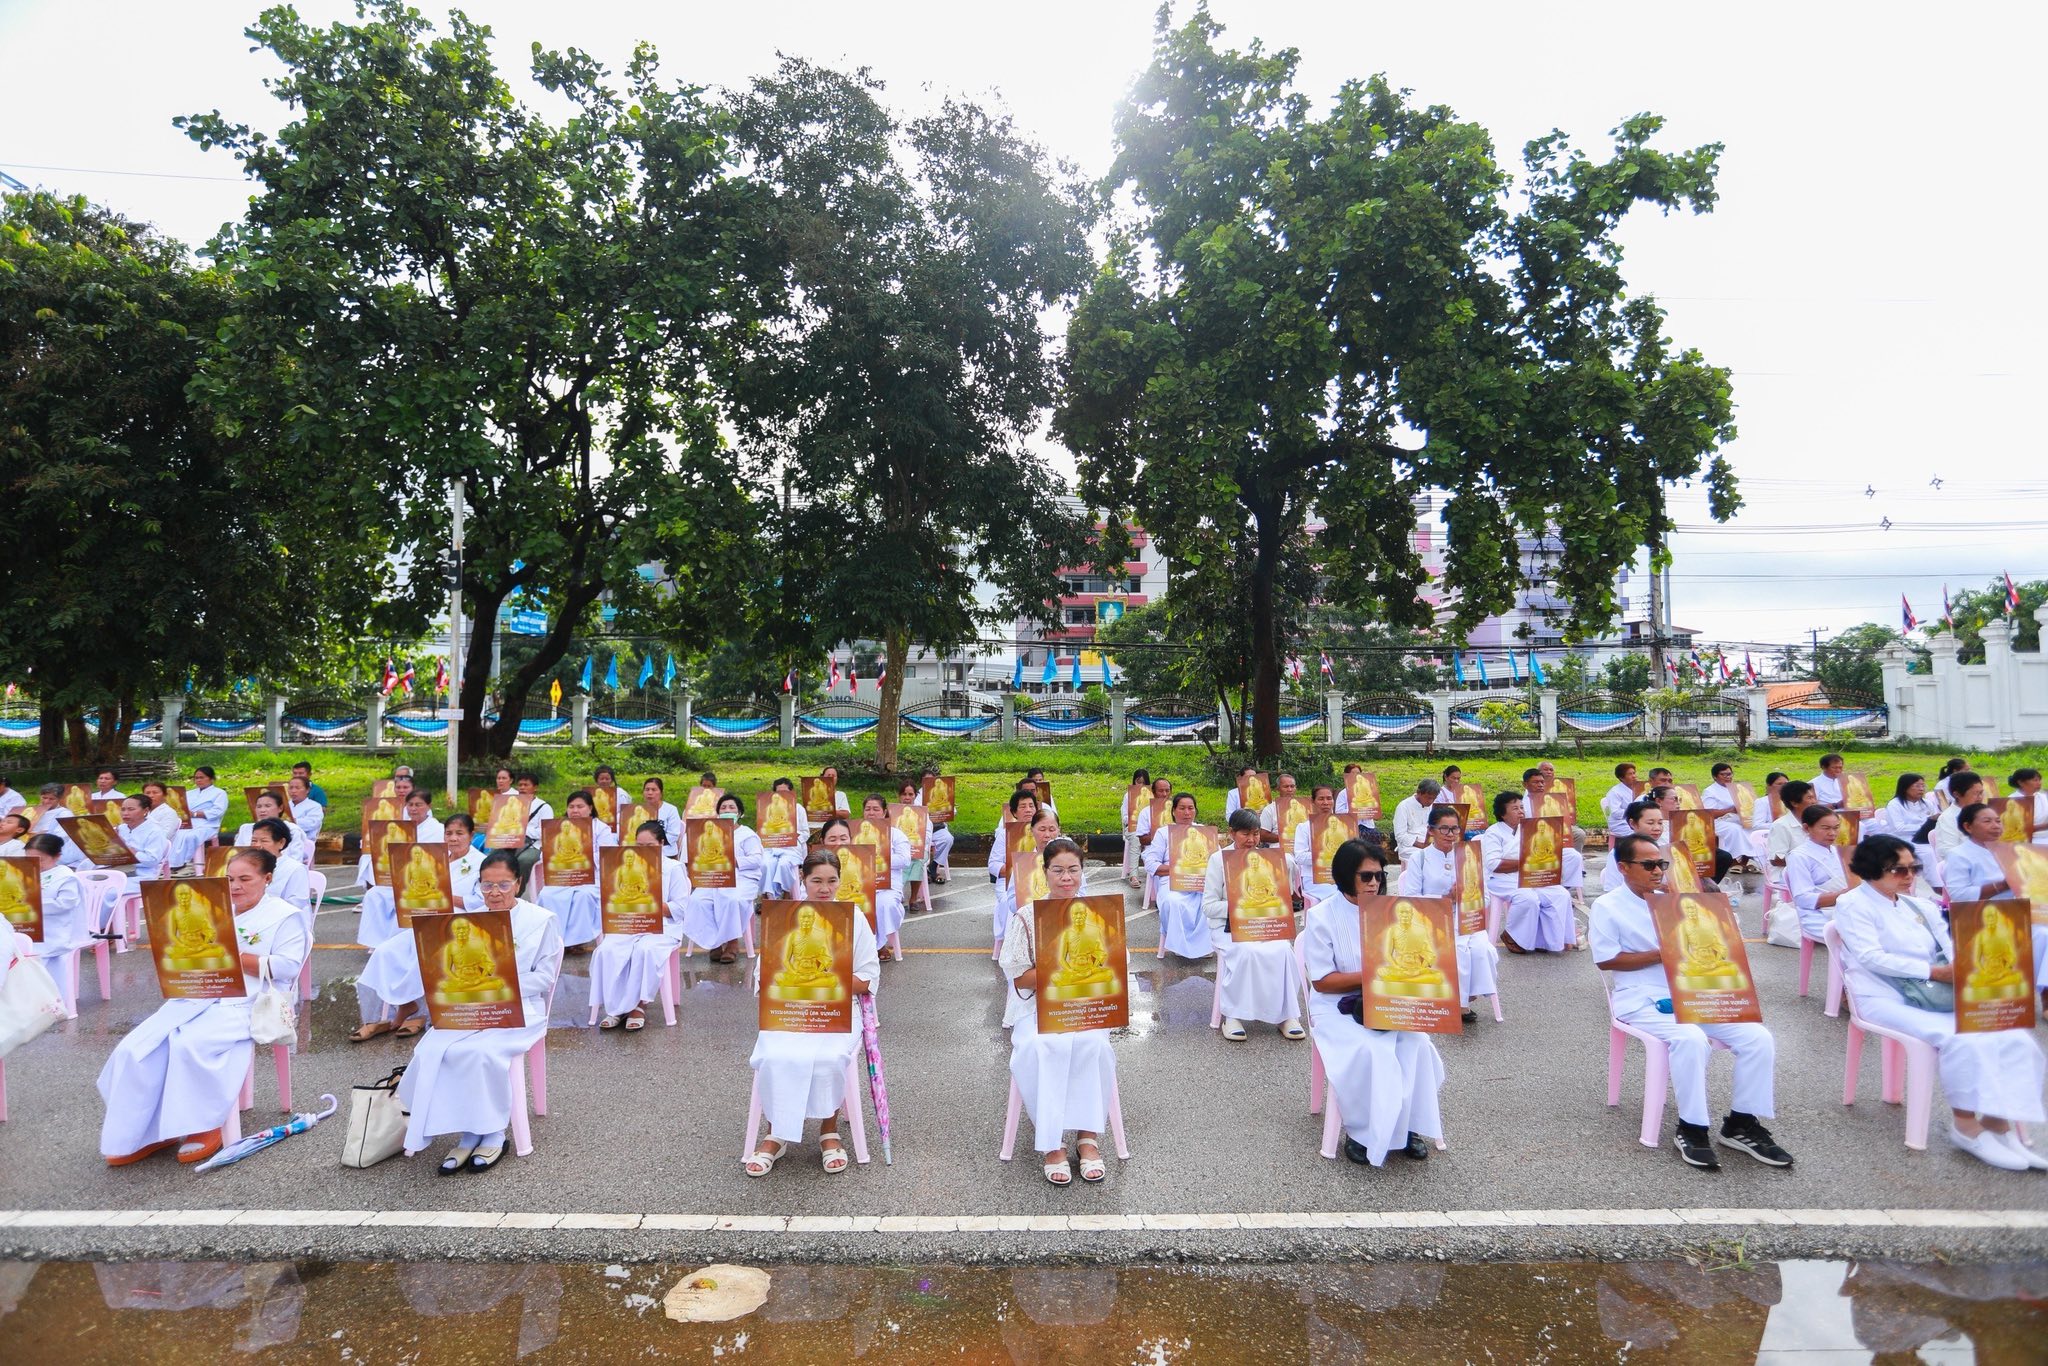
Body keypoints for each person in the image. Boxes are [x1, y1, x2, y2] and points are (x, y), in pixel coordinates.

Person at [1834, 835, 2047, 1171]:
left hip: (1937, 989)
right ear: (1872, 871)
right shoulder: (1852, 904)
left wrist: (1969, 970)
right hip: (1885, 996)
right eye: (1898, 870)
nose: (1909, 876)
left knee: (2012, 1034)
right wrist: (1934, 971)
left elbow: (1950, 945)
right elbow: (1870, 957)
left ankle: (1998, 1124)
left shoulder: (1917, 903)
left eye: (1913, 868)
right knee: (1961, 1038)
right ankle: (1966, 1127)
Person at [1590, 835, 1793, 1171]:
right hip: (1643, 997)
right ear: (1624, 868)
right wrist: (1665, 953)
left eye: (1661, 864)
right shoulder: (1608, 906)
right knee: (1690, 1038)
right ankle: (1692, 1127)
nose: (1658, 871)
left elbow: (1717, 945)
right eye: (1649, 865)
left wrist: (1716, 912)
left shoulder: (1678, 901)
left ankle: (1741, 1123)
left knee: (1758, 1038)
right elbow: (1607, 960)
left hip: (1696, 990)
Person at [97, 847, 308, 1166]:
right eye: (229, 878)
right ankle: (148, 1132)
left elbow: (289, 967)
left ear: (267, 879)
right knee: (137, 1049)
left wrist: (230, 956)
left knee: (190, 1043)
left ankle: (205, 1124)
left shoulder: (284, 915)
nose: (235, 885)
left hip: (250, 999)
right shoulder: (211, 909)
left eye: (244, 879)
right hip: (198, 994)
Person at [398, 849, 562, 1173]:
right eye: (487, 886)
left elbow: (544, 977)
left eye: (502, 885)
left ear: (518, 883)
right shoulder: (465, 923)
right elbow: (445, 968)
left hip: (518, 1006)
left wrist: (500, 982)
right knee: (432, 1050)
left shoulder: (539, 921)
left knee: (482, 1052)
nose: (495, 893)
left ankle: (492, 1133)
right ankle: (467, 1130)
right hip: (468, 1005)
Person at [1302, 837, 1446, 1167]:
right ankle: (1361, 1132)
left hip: (1385, 998)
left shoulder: (1393, 912)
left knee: (1417, 1043)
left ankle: (1407, 1127)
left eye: (1379, 876)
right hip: (1336, 1005)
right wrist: (1372, 975)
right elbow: (1323, 982)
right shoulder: (1322, 916)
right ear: (1344, 876)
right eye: (1366, 876)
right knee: (1373, 1050)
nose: (1374, 883)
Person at [745, 849, 880, 1177]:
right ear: (802, 880)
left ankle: (828, 1130)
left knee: (830, 1057)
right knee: (774, 1054)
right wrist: (791, 976)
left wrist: (831, 975)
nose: (824, 888)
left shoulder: (853, 919)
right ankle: (776, 1133)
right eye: (816, 880)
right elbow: (770, 973)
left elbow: (868, 977)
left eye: (831, 881)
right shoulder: (784, 919)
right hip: (791, 1007)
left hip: (834, 1005)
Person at [999, 836, 1115, 1184]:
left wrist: (1088, 969)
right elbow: (1020, 978)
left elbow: (1111, 964)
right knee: (1041, 1046)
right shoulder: (1026, 916)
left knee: (1094, 1046)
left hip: (1086, 1004)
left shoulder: (1099, 914)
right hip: (1038, 1006)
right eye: (1058, 871)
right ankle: (1052, 1143)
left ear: (1082, 872)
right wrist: (1059, 970)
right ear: (1045, 872)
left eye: (1073, 870)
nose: (1067, 878)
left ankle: (1087, 1135)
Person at [351, 814, 484, 1042]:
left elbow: (480, 900)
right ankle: (404, 1004)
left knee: (422, 955)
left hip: (458, 921)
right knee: (386, 952)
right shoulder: (435, 858)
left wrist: (446, 897)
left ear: (472, 836)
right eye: (449, 833)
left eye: (459, 833)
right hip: (424, 918)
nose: (453, 838)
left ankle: (420, 1012)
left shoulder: (480, 863)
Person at [1205, 808, 1305, 1042]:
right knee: (1246, 952)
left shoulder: (1267, 860)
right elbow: (1209, 906)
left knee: (1283, 951)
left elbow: (1279, 894)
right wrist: (1241, 907)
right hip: (1229, 925)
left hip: (1264, 923)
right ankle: (1233, 1016)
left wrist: (1276, 885)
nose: (1251, 840)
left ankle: (1286, 1015)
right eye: (1245, 834)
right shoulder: (1219, 860)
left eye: (1256, 834)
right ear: (1231, 833)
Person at [1397, 805, 1500, 1023]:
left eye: (1454, 829)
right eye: (1444, 829)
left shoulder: (1469, 856)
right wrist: (1446, 899)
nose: (1450, 835)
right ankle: (1458, 1003)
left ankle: (1468, 995)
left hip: (1467, 918)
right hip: (1433, 920)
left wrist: (1467, 896)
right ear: (1431, 830)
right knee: (1459, 950)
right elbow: (1411, 900)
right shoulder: (1420, 859)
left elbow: (1487, 898)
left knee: (1483, 949)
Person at [589, 821, 693, 1032]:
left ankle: (638, 1006)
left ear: (662, 843)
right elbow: (616, 895)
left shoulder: (673, 868)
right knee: (607, 950)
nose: (642, 851)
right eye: (638, 846)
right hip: (630, 924)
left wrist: (651, 903)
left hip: (662, 926)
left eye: (649, 846)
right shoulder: (623, 868)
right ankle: (616, 1006)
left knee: (644, 950)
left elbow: (680, 908)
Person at [1481, 792, 1575, 953]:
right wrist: (1527, 863)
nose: (1521, 811)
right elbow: (1493, 864)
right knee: (1528, 898)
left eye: (1522, 807)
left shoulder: (1529, 829)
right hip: (1502, 878)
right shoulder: (1493, 832)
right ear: (1503, 814)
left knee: (1560, 894)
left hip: (1531, 875)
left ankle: (1549, 940)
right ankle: (1512, 936)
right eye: (1515, 808)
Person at [681, 791, 764, 965]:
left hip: (742, 878)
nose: (727, 810)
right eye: (723, 807)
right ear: (718, 813)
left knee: (731, 899)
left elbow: (756, 860)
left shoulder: (747, 834)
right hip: (714, 878)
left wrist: (734, 861)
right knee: (697, 901)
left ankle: (733, 943)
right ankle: (715, 943)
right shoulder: (707, 833)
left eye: (731, 807)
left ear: (740, 813)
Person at [535, 789, 615, 953]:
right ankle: (554, 940)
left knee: (583, 896)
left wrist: (583, 855)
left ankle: (576, 941)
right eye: (571, 807)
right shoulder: (556, 828)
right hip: (562, 876)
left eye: (580, 806)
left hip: (590, 878)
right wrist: (553, 854)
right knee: (547, 895)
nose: (575, 810)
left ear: (590, 808)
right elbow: (548, 855)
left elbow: (608, 856)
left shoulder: (601, 829)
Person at [1143, 792, 1214, 960]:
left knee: (1209, 902)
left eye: (1190, 808)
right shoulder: (1163, 833)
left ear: (1195, 811)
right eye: (1182, 808)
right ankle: (1178, 943)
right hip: (1172, 880)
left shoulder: (1203, 832)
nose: (1187, 813)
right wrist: (1179, 869)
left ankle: (1204, 945)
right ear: (1173, 811)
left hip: (1200, 881)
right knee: (1172, 902)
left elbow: (1215, 860)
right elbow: (1151, 863)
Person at [16, 833, 89, 984]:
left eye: (40, 860)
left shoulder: (65, 876)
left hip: (55, 930)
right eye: (29, 859)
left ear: (57, 856)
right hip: (28, 927)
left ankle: (44, 1000)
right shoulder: (23, 873)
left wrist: (33, 903)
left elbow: (65, 904)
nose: (34, 863)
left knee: (31, 957)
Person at [855, 795, 911, 960]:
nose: (871, 813)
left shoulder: (895, 834)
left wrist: (878, 856)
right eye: (867, 809)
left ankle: (879, 944)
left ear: (884, 812)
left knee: (883, 904)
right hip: (859, 883)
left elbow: (905, 860)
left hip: (887, 884)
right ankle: (855, 947)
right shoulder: (854, 833)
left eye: (875, 809)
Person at [986, 789, 1041, 956]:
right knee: (1008, 903)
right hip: (1010, 881)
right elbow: (993, 864)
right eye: (1023, 806)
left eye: (1031, 805)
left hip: (1040, 881)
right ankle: (1015, 949)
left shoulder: (1044, 830)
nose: (1028, 810)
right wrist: (1014, 868)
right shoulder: (1005, 835)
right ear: (1014, 812)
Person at [1785, 805, 1849, 943]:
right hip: (1817, 915)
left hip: (1845, 907)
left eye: (1836, 827)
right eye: (1825, 828)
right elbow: (1802, 898)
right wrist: (1845, 894)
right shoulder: (1799, 856)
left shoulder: (1838, 851)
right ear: (1807, 828)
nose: (1832, 833)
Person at [758, 777, 810, 899]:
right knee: (765, 864)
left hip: (791, 848)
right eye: (778, 792)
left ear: (791, 792)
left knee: (784, 865)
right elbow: (766, 825)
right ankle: (768, 896)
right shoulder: (768, 807)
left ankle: (786, 895)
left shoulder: (798, 809)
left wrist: (791, 837)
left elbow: (805, 832)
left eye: (785, 792)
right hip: (771, 847)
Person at [243, 817, 310, 912]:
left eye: (264, 841)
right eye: (254, 841)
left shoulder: (295, 869)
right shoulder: (246, 866)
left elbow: (296, 904)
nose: (257, 845)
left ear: (281, 843)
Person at [1931, 771, 1986, 880]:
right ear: (1957, 794)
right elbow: (1947, 852)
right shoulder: (1948, 818)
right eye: (1976, 794)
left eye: (1981, 793)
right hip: (1966, 872)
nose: (1980, 798)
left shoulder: (1985, 814)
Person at [234, 790, 311, 865]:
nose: (262, 810)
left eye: (268, 806)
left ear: (280, 808)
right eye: (259, 806)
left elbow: (295, 859)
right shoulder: (245, 828)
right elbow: (237, 854)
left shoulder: (292, 830)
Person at [113, 794, 171, 892]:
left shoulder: (155, 831)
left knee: (107, 892)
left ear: (145, 811)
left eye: (131, 809)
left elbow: (152, 860)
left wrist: (125, 847)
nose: (125, 813)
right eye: (123, 809)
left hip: (141, 875)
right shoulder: (121, 829)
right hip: (117, 870)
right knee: (85, 885)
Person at [1290, 785, 1340, 895]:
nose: (1326, 803)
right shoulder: (1304, 827)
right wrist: (1325, 854)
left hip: (1341, 875)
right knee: (1334, 895)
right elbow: (1299, 857)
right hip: (1315, 878)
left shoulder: (1343, 826)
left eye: (1329, 798)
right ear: (1313, 801)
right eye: (1321, 799)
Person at [1701, 764, 1747, 877]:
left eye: (1729, 774)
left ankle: (1746, 859)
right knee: (1735, 830)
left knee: (1751, 827)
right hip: (1717, 821)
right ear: (1715, 776)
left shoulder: (1736, 789)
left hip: (1737, 818)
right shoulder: (1710, 791)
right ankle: (1734, 861)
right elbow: (1708, 812)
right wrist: (1730, 810)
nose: (1727, 777)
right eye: (1723, 774)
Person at [30, 785, 88, 868]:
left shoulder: (64, 813)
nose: (46, 801)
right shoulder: (34, 811)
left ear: (59, 799)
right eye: (44, 798)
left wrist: (42, 835)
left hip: (54, 849)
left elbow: (62, 836)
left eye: (51, 799)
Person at [1767, 780, 1816, 867]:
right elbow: (1776, 860)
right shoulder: (1781, 825)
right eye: (1809, 798)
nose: (1814, 801)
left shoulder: (1816, 822)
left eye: (1813, 797)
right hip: (1788, 875)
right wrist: (1809, 863)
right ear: (1794, 803)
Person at [919, 765, 954, 884]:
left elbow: (949, 807)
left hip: (937, 828)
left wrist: (943, 810)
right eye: (926, 780)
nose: (929, 782)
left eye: (931, 780)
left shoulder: (941, 790)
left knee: (948, 839)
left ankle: (934, 866)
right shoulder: (917, 796)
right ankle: (922, 871)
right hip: (922, 830)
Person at [634, 777, 682, 859]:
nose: (650, 793)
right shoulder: (637, 810)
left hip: (666, 851)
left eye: (654, 790)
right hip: (641, 850)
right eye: (647, 789)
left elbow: (674, 834)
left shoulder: (671, 809)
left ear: (661, 792)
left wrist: (654, 844)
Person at [1391, 778, 1442, 856]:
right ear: (1419, 793)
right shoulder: (1404, 806)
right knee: (1424, 856)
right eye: (1428, 798)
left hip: (1430, 844)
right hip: (1409, 847)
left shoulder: (1433, 806)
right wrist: (1422, 845)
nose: (1430, 801)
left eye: (1433, 798)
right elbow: (1400, 835)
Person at [185, 766, 230, 853]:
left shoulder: (219, 793)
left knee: (192, 836)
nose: (198, 780)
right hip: (188, 824)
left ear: (211, 779)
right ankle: (176, 862)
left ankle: (190, 859)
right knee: (175, 835)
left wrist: (195, 814)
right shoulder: (189, 793)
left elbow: (217, 812)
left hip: (208, 826)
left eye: (201, 777)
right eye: (196, 778)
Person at [1120, 768, 1152, 887]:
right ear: (1134, 782)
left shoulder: (1152, 795)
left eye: (1143, 782)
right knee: (1136, 839)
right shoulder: (1128, 796)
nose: (1140, 785)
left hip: (1149, 829)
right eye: (1138, 782)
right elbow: (1125, 818)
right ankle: (1133, 875)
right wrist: (1136, 819)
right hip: (1133, 828)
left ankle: (1158, 874)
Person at [2011, 767, 2048, 847]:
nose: (2039, 783)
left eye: (2039, 780)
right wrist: (2042, 827)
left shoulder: (2043, 797)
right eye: (2035, 780)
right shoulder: (2011, 801)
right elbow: (2013, 829)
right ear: (2021, 782)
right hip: (2023, 841)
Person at [1602, 763, 1640, 839]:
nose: (1634, 776)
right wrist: (1633, 811)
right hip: (1621, 824)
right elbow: (1615, 813)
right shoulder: (1615, 792)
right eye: (1630, 774)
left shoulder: (1639, 789)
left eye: (1634, 773)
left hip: (1637, 821)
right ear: (1622, 778)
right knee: (1642, 833)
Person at [287, 775, 324, 845]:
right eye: (291, 788)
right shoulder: (285, 805)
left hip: (304, 844)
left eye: (297, 788)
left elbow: (311, 823)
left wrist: (291, 821)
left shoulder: (315, 806)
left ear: (307, 790)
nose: (293, 791)